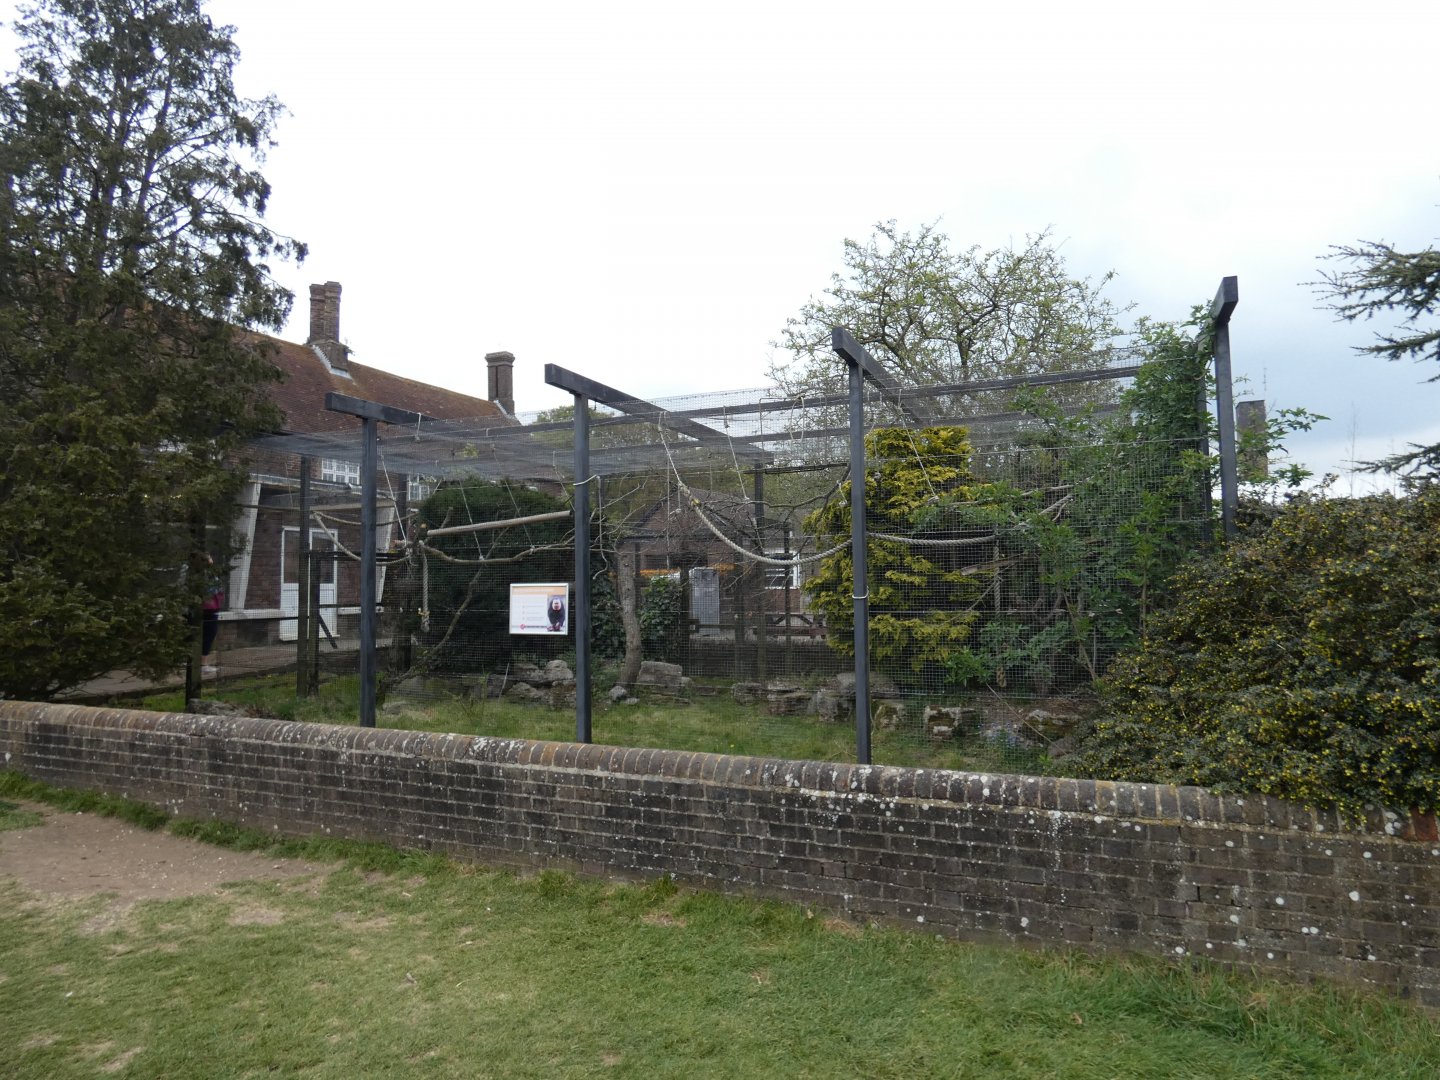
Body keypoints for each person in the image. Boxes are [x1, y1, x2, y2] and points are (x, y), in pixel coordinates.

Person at [201, 559, 224, 675]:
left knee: (203, 636)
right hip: (209, 610)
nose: (212, 560)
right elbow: (215, 589)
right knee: (208, 636)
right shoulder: (208, 574)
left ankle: (200, 663)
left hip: (205, 609)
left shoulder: (188, 571)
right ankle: (203, 665)